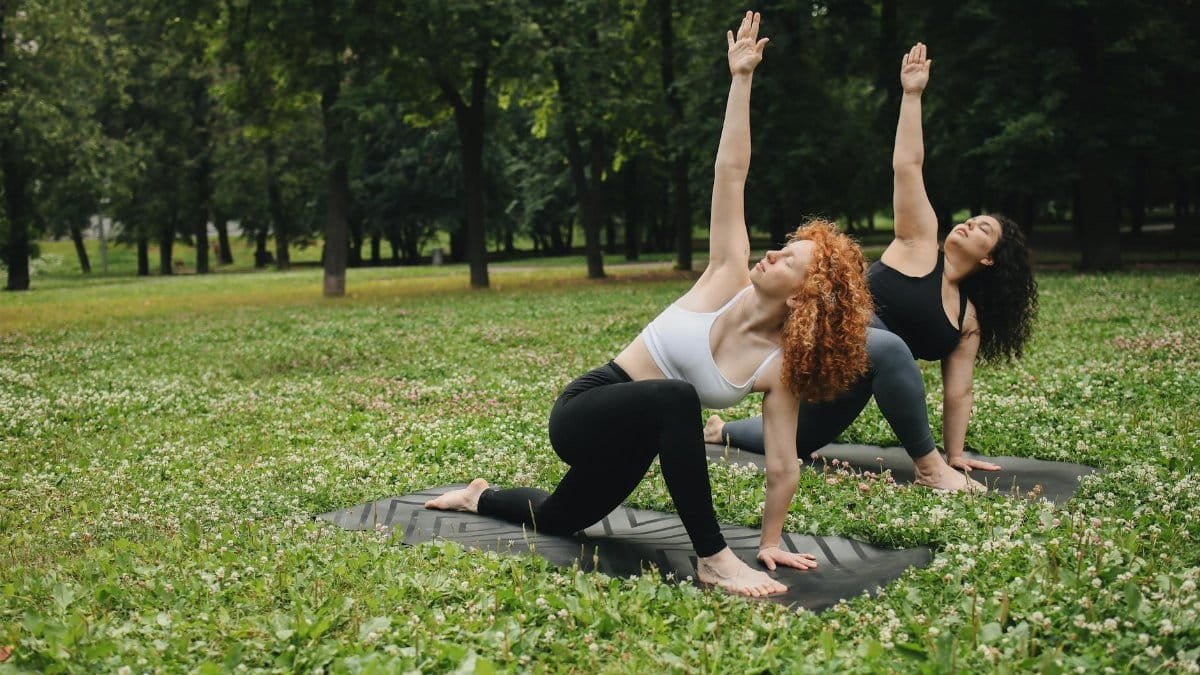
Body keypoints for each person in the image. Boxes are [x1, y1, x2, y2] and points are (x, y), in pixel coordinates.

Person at [425, 12, 874, 597]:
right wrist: (741, 80)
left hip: (643, 435)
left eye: (790, 258)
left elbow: (783, 463)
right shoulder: (724, 274)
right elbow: (731, 173)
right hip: (589, 408)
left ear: (807, 296)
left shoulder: (778, 367)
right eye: (783, 246)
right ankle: (712, 558)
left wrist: (769, 542)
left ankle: (477, 494)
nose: (772, 253)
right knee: (678, 397)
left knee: (562, 518)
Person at [705, 43, 1038, 488]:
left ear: (990, 259)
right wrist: (913, 96)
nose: (967, 225)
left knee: (801, 438)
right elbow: (908, 166)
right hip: (821, 339)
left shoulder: (966, 320)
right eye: (971, 219)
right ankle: (928, 468)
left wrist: (958, 454)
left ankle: (721, 430)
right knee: (890, 346)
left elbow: (959, 391)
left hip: (851, 376)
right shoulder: (920, 242)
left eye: (982, 230)